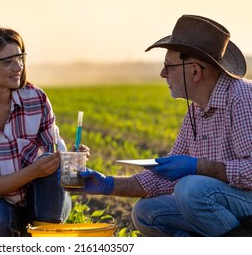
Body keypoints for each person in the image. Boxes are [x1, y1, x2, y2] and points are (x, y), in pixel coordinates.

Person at [69, 14, 252, 236]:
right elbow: (164, 176)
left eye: (169, 66)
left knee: (190, 189)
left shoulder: (242, 98)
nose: (163, 74)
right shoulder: (196, 109)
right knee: (146, 212)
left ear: (195, 71)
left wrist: (197, 167)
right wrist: (108, 184)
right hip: (222, 202)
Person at [0, 25, 89, 237]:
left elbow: (56, 157)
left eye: (20, 58)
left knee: (52, 171)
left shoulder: (36, 99)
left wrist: (72, 162)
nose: (18, 67)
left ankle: (43, 235)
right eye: (7, 62)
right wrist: (33, 171)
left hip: (42, 198)